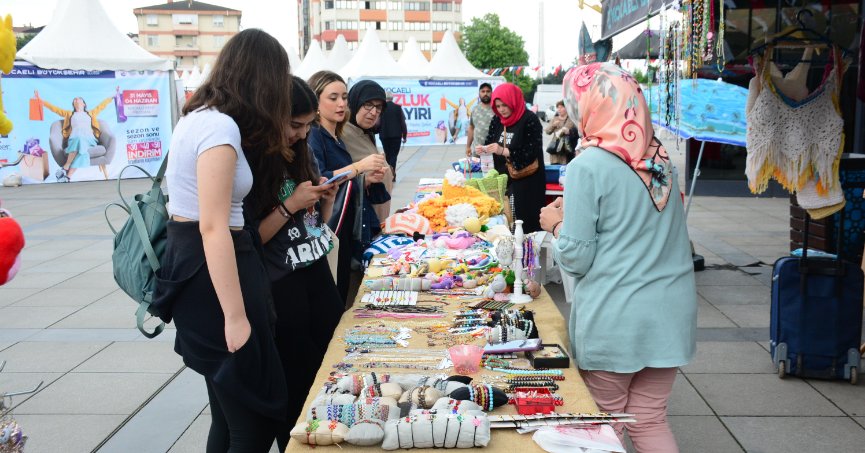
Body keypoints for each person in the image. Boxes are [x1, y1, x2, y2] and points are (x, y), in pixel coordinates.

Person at [539, 63, 696, 452]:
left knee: (605, 425)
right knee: (650, 418)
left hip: (616, 320)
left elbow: (575, 258)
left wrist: (556, 224)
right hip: (669, 316)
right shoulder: (659, 160)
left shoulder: (587, 166)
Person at [153, 29, 290, 452]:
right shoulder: (219, 127)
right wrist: (235, 315)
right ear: (262, 79)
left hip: (200, 271)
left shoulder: (198, 118)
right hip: (215, 277)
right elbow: (212, 227)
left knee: (229, 418)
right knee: (253, 423)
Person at [245, 76, 343, 451]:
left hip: (315, 270)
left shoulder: (304, 151)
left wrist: (324, 201)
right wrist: (291, 204)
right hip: (282, 286)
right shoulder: (250, 160)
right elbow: (253, 238)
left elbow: (314, 226)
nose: (302, 135)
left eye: (308, 126)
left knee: (332, 366)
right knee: (298, 385)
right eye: (295, 125)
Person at [306, 71, 388, 305]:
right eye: (333, 98)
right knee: (334, 294)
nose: (342, 104)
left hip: (346, 226)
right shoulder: (314, 134)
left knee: (344, 287)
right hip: (330, 224)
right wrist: (359, 167)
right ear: (316, 100)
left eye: (344, 97)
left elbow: (345, 180)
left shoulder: (335, 135)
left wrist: (366, 178)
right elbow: (320, 179)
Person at [477, 83, 545, 233]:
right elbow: (490, 141)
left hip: (527, 185)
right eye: (498, 106)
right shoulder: (497, 120)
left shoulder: (530, 120)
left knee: (525, 229)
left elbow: (530, 153)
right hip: (504, 181)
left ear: (513, 101)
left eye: (505, 105)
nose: (502, 110)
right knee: (505, 227)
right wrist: (484, 150)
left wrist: (503, 150)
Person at [342, 80, 392, 228]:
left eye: (378, 107)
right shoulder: (343, 134)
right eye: (368, 104)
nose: (373, 112)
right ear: (355, 102)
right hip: (362, 223)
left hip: (378, 218)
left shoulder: (365, 132)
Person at [35, 89, 114, 182]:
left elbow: (102, 105)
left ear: (84, 104)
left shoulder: (91, 113)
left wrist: (113, 96)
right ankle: (68, 177)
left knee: (81, 140)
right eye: (75, 99)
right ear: (73, 104)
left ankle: (66, 167)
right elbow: (54, 109)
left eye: (79, 99)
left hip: (90, 139)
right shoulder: (69, 114)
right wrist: (40, 100)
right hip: (73, 139)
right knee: (81, 147)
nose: (76, 99)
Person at [378, 91, 407, 180]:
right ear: (392, 98)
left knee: (387, 155)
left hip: (384, 135)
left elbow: (377, 122)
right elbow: (403, 123)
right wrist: (404, 136)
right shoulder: (398, 108)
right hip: (396, 136)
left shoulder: (381, 108)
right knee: (394, 155)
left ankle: (388, 174)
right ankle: (392, 174)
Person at [544, 100, 577, 165]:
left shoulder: (571, 119)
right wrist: (553, 125)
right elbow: (547, 132)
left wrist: (568, 131)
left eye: (561, 107)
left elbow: (576, 133)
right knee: (555, 168)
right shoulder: (555, 119)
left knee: (565, 169)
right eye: (558, 107)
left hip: (566, 148)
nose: (559, 109)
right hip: (555, 148)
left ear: (567, 108)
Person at [466, 83, 493, 158]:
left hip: (493, 151)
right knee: (476, 169)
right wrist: (468, 146)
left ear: (491, 93)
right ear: (479, 93)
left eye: (488, 91)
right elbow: (471, 128)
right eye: (483, 91)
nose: (485, 93)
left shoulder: (496, 109)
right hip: (477, 151)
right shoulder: (475, 109)